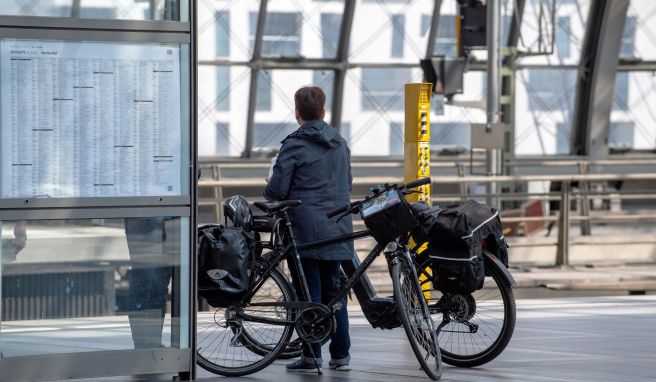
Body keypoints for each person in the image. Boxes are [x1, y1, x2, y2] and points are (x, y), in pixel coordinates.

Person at [264, 86, 353, 372]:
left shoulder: (294, 144)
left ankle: (312, 355)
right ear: (323, 110)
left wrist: (269, 183)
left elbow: (277, 190)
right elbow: (347, 184)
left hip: (304, 230)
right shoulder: (339, 142)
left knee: (308, 291)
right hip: (338, 226)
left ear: (297, 111)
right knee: (335, 292)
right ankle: (341, 356)